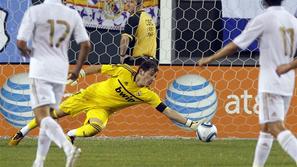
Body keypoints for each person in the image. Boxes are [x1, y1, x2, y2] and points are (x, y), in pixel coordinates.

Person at [9, 60, 205, 145]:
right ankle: (22, 132)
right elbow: (99, 68)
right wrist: (80, 74)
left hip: (102, 109)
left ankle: (70, 134)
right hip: (86, 96)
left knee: (96, 127)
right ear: (142, 72)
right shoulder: (123, 71)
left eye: (154, 78)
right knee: (51, 115)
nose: (153, 80)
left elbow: (167, 111)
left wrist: (191, 124)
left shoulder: (148, 95)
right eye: (152, 76)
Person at [198, 0, 297, 166]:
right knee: (266, 130)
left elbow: (235, 45)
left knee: (274, 127)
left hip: (271, 83)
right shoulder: (293, 20)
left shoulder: (264, 18)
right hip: (287, 82)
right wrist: (288, 66)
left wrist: (211, 58)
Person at [16, 0, 91, 166]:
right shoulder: (71, 14)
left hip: (41, 69)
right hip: (60, 70)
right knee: (49, 117)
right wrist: (77, 70)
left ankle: (68, 149)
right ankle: (39, 161)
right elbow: (86, 45)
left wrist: (28, 54)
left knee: (41, 116)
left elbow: (21, 43)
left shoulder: (35, 11)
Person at [119, 0, 157, 65]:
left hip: (138, 62)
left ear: (139, 4)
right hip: (152, 63)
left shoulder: (133, 18)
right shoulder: (150, 18)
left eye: (131, 2)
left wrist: (122, 56)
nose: (127, 5)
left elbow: (125, 39)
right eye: (127, 2)